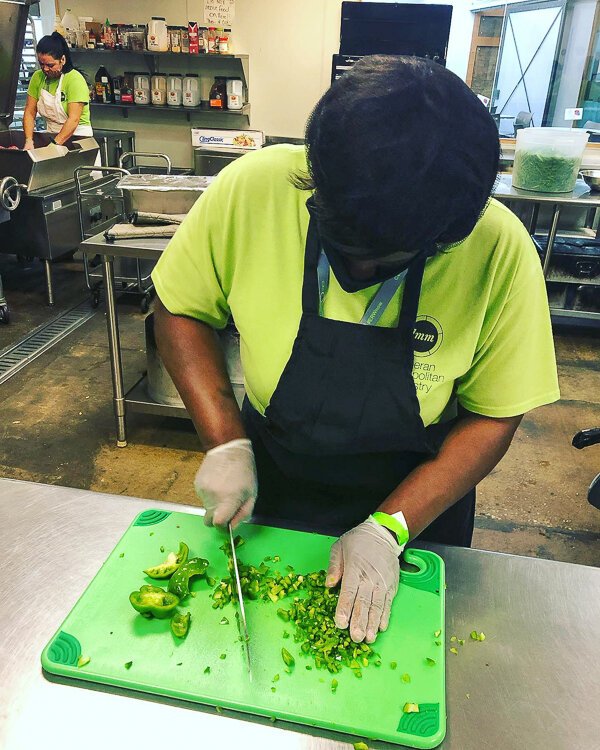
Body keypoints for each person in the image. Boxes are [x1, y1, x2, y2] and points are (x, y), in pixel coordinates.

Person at [151, 56, 560, 645]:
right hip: (275, 479)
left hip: (418, 498)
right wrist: (225, 442)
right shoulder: (256, 187)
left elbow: (495, 411)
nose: (359, 273)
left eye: (386, 260)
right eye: (347, 245)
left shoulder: (497, 248)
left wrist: (388, 529)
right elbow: (181, 305)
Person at [23, 32, 93, 150]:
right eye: (41, 64)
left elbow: (74, 119)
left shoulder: (74, 79)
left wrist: (55, 145)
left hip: (79, 139)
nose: (45, 69)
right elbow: (30, 112)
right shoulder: (37, 77)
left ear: (63, 59)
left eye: (50, 65)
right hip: (51, 135)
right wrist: (29, 140)